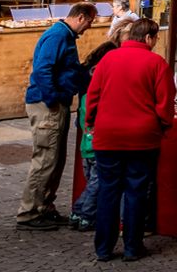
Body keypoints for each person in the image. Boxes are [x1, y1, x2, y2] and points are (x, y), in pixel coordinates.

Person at [84, 19, 175, 263]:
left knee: (108, 191)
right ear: (148, 38)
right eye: (155, 39)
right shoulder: (157, 63)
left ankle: (103, 248)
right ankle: (132, 247)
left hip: (108, 136)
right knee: (136, 192)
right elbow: (165, 103)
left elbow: (92, 96)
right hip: (142, 138)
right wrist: (163, 126)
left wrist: (91, 122)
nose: (155, 43)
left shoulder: (108, 59)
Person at [17, 4, 94, 230]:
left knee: (56, 159)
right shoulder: (57, 35)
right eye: (89, 22)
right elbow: (42, 70)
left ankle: (44, 206)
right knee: (46, 159)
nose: (89, 27)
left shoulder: (65, 36)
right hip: (47, 104)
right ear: (81, 17)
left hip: (56, 102)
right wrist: (53, 98)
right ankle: (29, 212)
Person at [72, 26, 124, 232]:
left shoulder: (88, 94)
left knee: (93, 181)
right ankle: (83, 214)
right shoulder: (99, 95)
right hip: (97, 145)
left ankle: (78, 212)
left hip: (88, 145)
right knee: (97, 182)